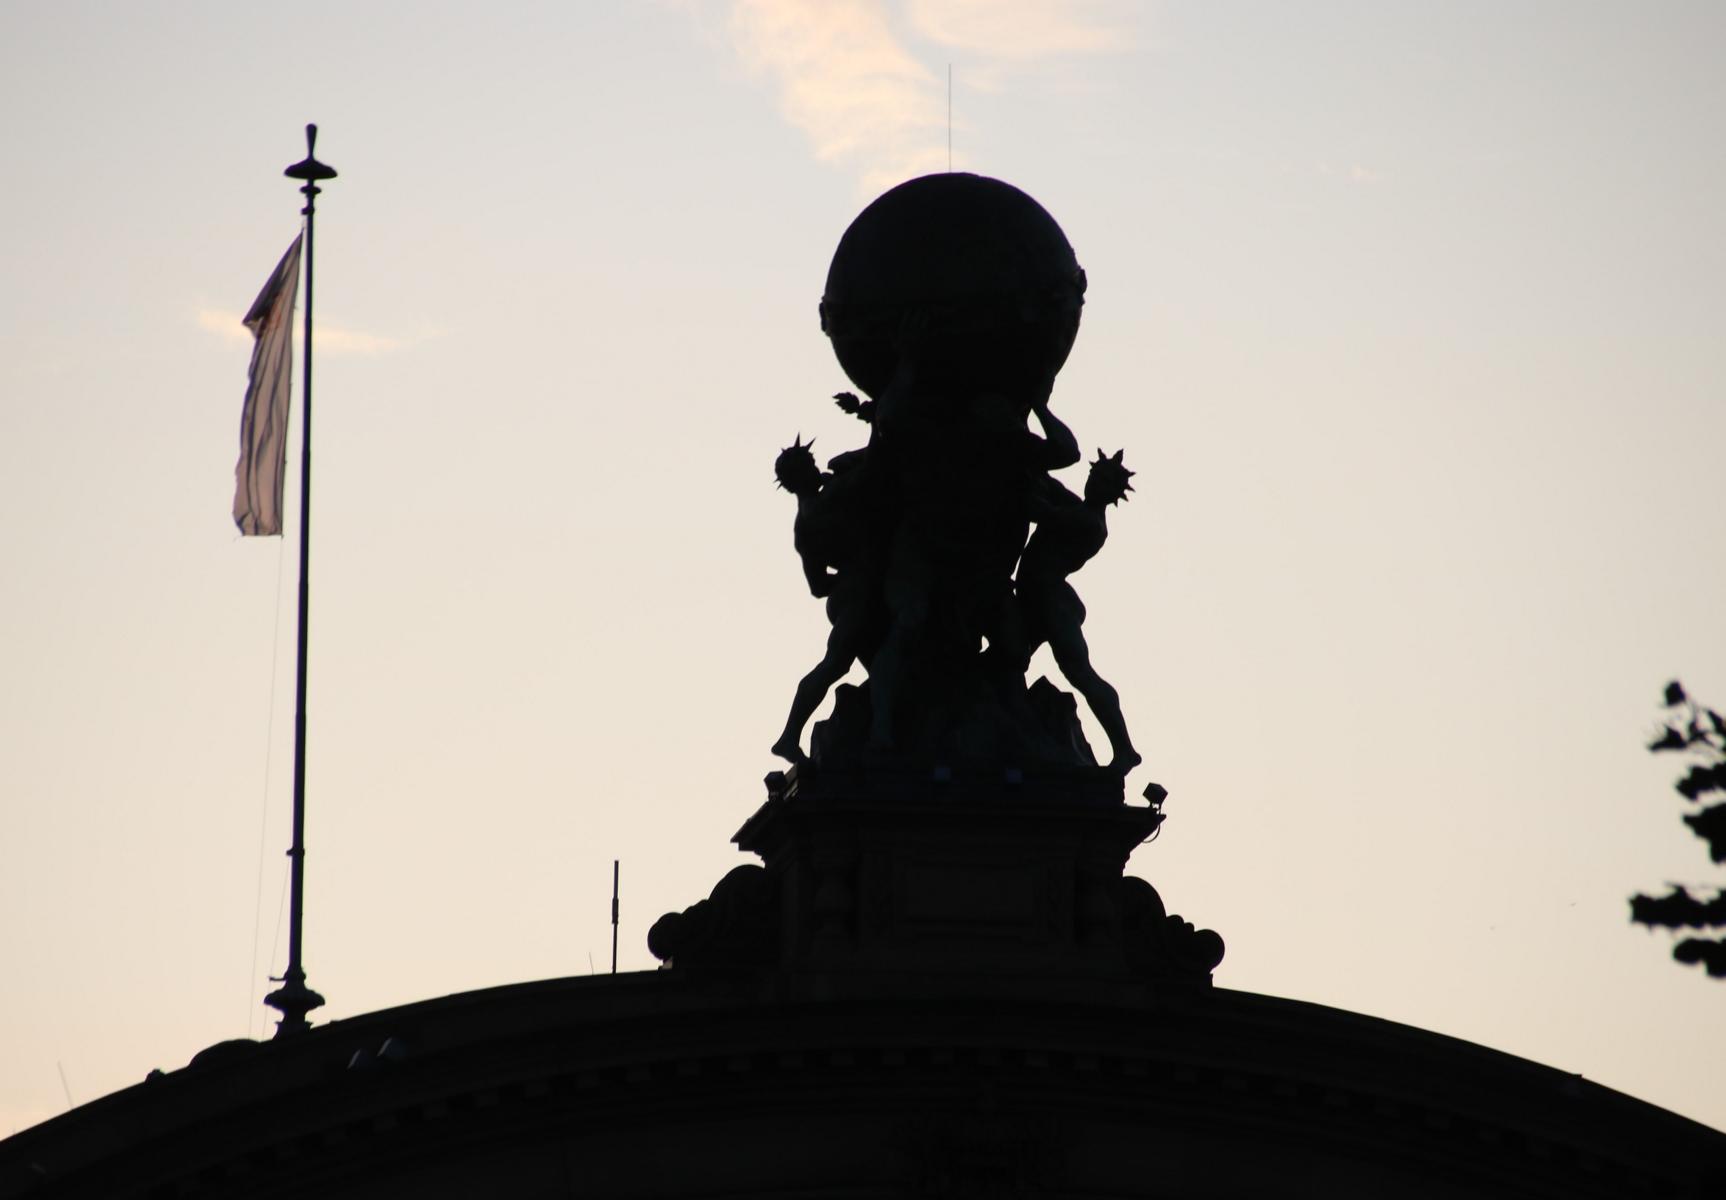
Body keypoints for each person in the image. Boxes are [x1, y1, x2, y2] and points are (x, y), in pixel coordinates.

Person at [1012, 448, 1141, 773]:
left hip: (1052, 601)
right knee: (1009, 659)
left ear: (1114, 493)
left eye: (1102, 481)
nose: (1093, 484)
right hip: (1034, 600)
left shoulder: (1089, 522)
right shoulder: (1078, 507)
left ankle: (1125, 749)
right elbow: (1051, 489)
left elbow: (1037, 508)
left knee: (1079, 672)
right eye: (1093, 476)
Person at [769, 436, 883, 765]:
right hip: (859, 592)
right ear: (803, 475)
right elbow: (876, 464)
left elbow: (817, 586)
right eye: (811, 465)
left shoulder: (803, 524)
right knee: (837, 663)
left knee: (879, 666)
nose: (818, 468)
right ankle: (789, 736)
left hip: (848, 593)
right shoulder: (831, 497)